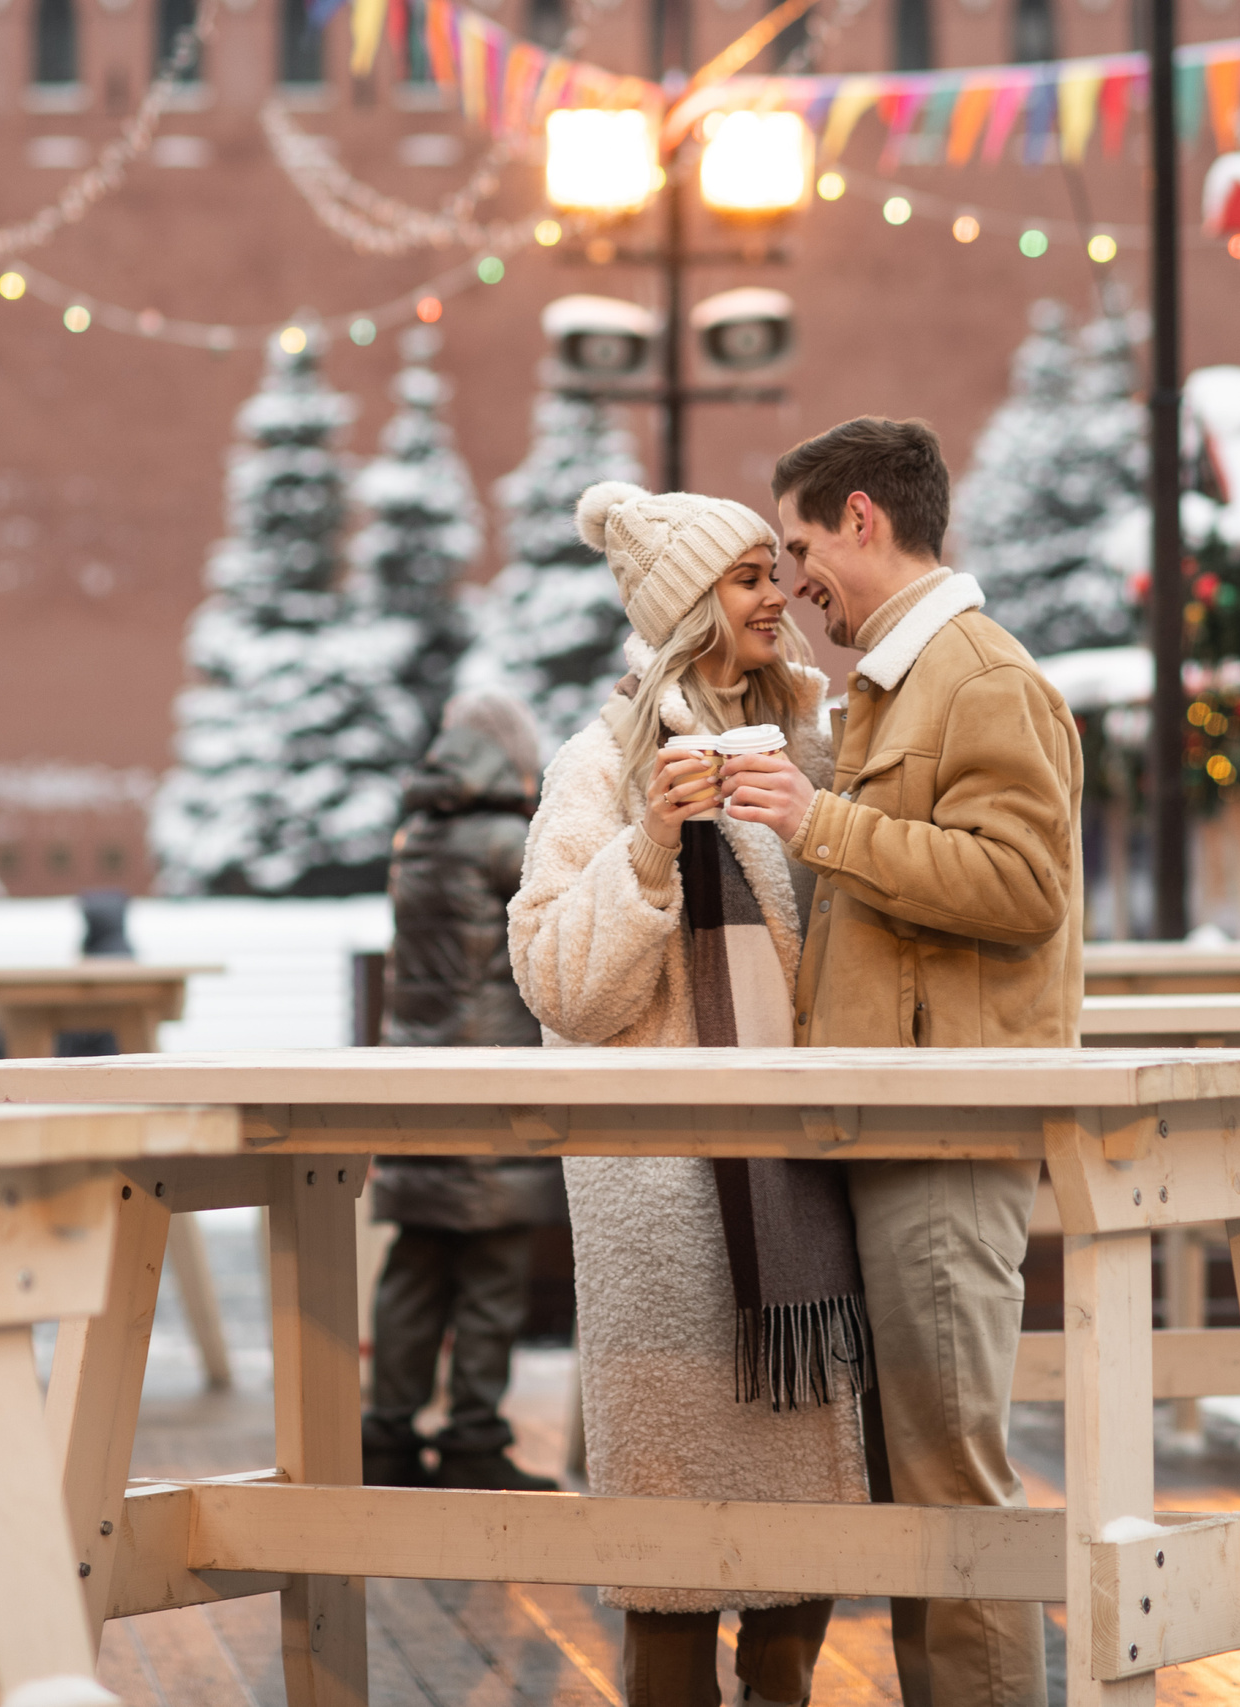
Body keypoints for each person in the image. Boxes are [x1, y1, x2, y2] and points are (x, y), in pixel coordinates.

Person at [712, 417, 1082, 1707]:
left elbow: (1023, 888)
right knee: (912, 1478)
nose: (796, 575)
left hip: (945, 1130)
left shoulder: (979, 679)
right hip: (891, 1127)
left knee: (945, 1481)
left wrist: (824, 824)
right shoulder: (905, 680)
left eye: (802, 544)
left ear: (863, 518)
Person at [506, 483, 863, 1707]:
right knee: (669, 1550)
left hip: (803, 1185)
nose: (780, 597)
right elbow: (555, 979)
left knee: (805, 1537)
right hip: (661, 1202)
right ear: (685, 611)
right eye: (749, 578)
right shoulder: (601, 765)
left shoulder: (814, 745)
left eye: (778, 572)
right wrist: (647, 849)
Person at [363, 692, 567, 1493]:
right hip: (490, 1086)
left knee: (414, 1262)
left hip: (417, 1082)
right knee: (491, 1268)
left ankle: (386, 1435)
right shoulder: (504, 843)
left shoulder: (418, 838)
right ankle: (474, 1439)